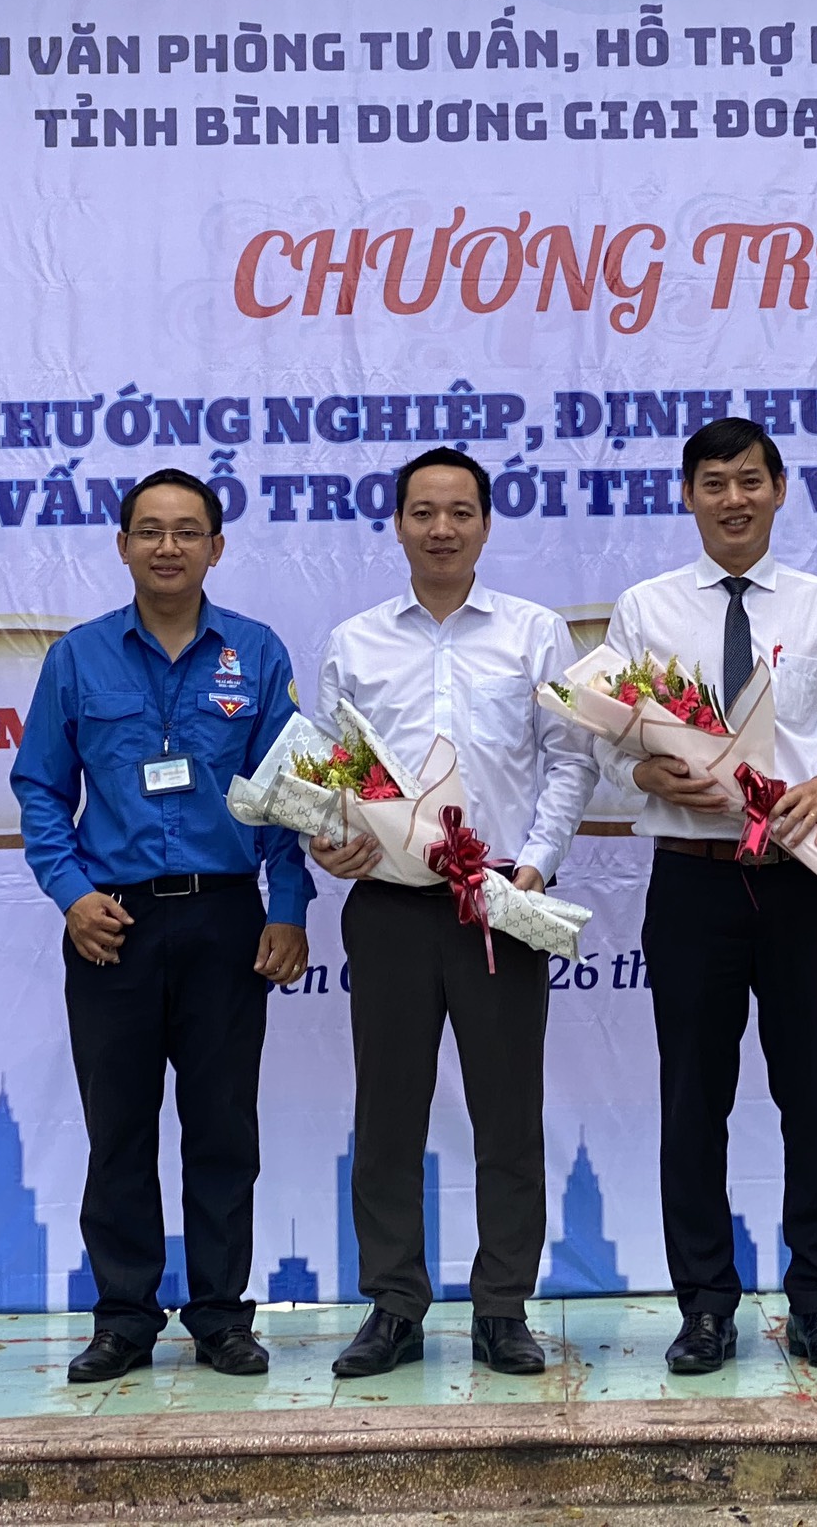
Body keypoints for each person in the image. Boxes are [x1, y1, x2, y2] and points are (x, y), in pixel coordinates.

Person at [11, 467, 315, 1385]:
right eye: (150, 530)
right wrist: (72, 895)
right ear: (123, 546)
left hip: (226, 918)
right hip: (113, 925)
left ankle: (221, 1316)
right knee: (119, 1131)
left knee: (223, 1130)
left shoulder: (255, 653)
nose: (168, 546)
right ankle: (124, 1318)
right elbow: (39, 789)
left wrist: (289, 907)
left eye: (188, 531)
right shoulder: (78, 658)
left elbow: (291, 794)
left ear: (216, 547)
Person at [306, 448, 595, 1379]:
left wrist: (535, 866)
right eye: (423, 512)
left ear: (485, 524)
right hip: (389, 907)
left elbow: (570, 760)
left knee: (508, 1115)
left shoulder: (534, 633)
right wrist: (328, 839)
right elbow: (330, 779)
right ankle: (393, 1304)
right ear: (397, 524)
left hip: (500, 904)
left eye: (460, 512)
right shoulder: (354, 642)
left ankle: (502, 1307)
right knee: (388, 1114)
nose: (442, 529)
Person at [600, 417, 817, 1375]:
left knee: (815, 1098)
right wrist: (644, 774)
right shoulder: (645, 609)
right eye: (713, 483)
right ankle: (705, 1308)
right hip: (693, 881)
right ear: (687, 495)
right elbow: (612, 741)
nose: (733, 499)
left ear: (780, 489)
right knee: (693, 1102)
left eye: (750, 481)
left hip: (801, 879)